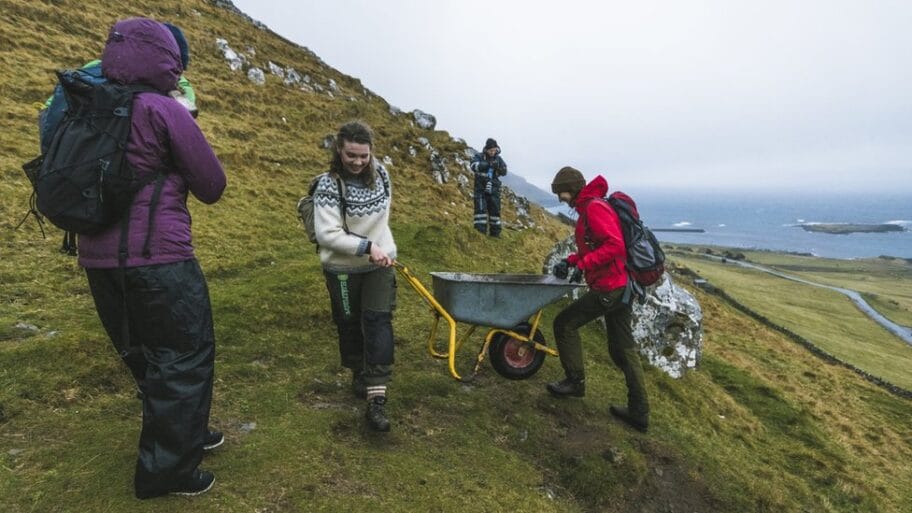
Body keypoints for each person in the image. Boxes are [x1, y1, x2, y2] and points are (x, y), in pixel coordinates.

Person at [78, 18, 226, 498]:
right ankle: (168, 473)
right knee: (184, 355)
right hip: (159, 258)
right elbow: (212, 185)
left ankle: (182, 434)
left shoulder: (85, 106)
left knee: (144, 354)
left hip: (98, 262)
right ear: (167, 60)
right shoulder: (164, 109)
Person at [547, 166, 650, 433]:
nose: (561, 199)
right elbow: (593, 246)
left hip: (609, 288)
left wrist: (584, 264)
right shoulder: (589, 208)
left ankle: (575, 382)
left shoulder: (594, 208)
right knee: (623, 350)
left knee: (564, 323)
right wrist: (570, 261)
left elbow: (615, 246)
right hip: (618, 285)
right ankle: (639, 412)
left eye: (562, 193)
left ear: (574, 188)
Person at [314, 121, 398, 432]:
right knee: (349, 324)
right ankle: (358, 372)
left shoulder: (383, 175)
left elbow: (383, 215)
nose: (358, 162)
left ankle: (377, 400)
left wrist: (381, 247)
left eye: (364, 155)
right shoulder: (328, 185)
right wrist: (366, 246)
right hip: (342, 268)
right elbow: (327, 234)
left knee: (378, 321)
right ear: (339, 150)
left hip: (379, 264)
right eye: (351, 155)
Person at [469, 138, 507, 237]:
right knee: (480, 212)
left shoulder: (498, 159)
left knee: (495, 212)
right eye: (491, 150)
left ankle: (495, 235)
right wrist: (487, 164)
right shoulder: (479, 156)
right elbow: (473, 166)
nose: (493, 152)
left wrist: (498, 167)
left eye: (494, 150)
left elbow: (504, 171)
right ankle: (479, 235)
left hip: (494, 190)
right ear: (486, 149)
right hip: (480, 189)